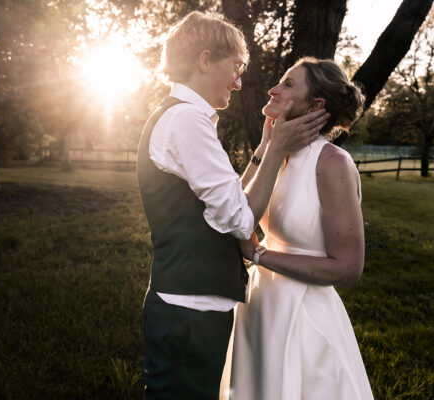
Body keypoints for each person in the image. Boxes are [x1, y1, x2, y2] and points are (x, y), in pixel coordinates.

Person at [137, 11, 330, 400]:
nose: (240, 83)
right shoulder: (187, 120)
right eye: (236, 68)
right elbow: (240, 220)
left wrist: (263, 149)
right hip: (191, 311)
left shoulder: (182, 116)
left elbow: (225, 203)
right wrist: (277, 151)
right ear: (205, 59)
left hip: (186, 303)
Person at [220, 57, 374, 400]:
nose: (274, 89)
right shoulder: (279, 154)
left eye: (288, 85)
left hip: (303, 318)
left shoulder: (332, 163)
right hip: (260, 306)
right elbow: (238, 215)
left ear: (316, 105)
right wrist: (266, 147)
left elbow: (348, 268)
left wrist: (259, 254)